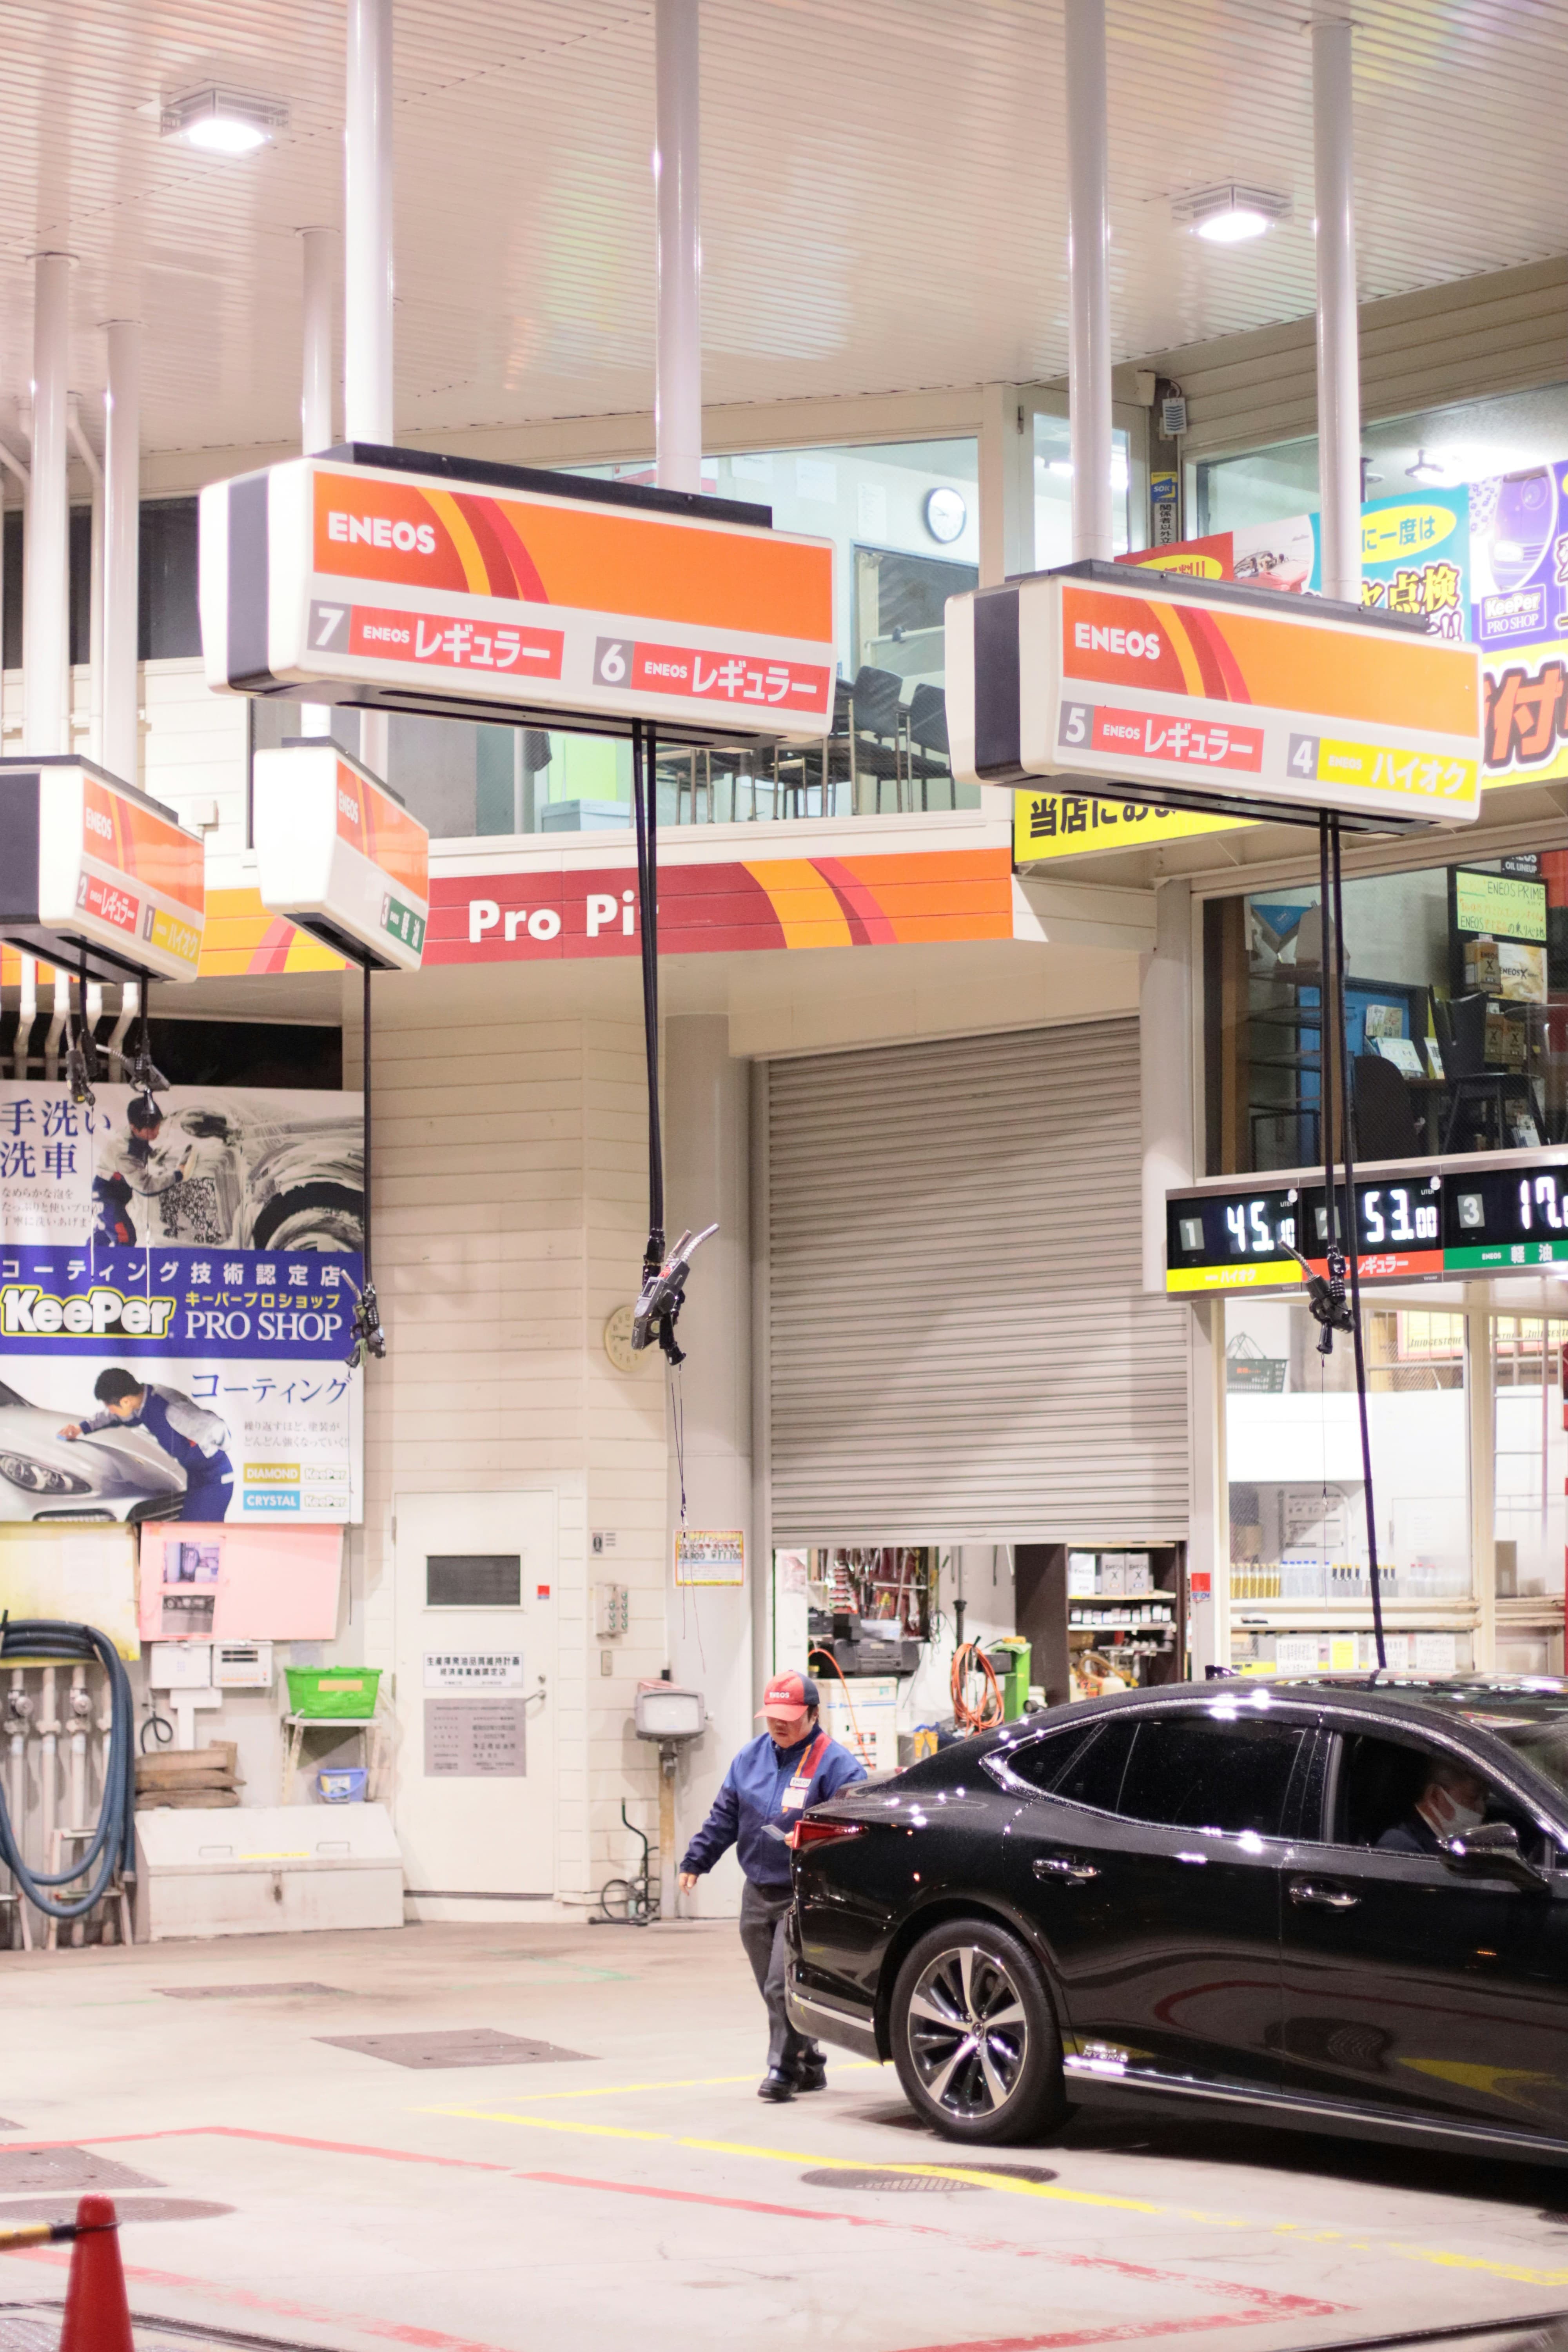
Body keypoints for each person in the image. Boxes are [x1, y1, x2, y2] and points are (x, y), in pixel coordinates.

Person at [679, 1670, 867, 2103]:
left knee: (781, 1987)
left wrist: (812, 1841)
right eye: (773, 1715)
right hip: (758, 1891)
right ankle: (810, 2062)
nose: (779, 1723)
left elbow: (856, 1830)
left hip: (804, 1895)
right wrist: (697, 1860)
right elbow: (725, 1815)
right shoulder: (750, 1758)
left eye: (790, 1716)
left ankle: (783, 2069)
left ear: (813, 1714)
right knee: (771, 1985)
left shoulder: (838, 1766)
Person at [60, 1371, 234, 1522]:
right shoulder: (141, 1401)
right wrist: (81, 1428)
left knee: (197, 1536)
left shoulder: (171, 1411)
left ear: (126, 1401)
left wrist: (222, 1449)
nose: (112, 1412)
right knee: (187, 1533)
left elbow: (217, 1427)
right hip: (197, 1476)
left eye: (112, 1407)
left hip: (215, 1479)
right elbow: (112, 1417)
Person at [93, 1094, 181, 1247]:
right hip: (106, 1196)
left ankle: (86, 1260)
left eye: (157, 1126)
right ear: (134, 1128)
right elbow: (147, 1187)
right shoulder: (125, 1154)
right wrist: (178, 1176)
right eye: (151, 1129)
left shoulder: (137, 1134)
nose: (157, 1132)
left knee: (101, 1238)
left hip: (118, 1193)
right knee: (125, 1237)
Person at [1376, 1754, 1491, 1854]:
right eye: (1472, 1798)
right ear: (1435, 1796)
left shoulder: (1449, 1843)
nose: (1482, 1809)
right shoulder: (1402, 1844)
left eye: (1485, 1800)